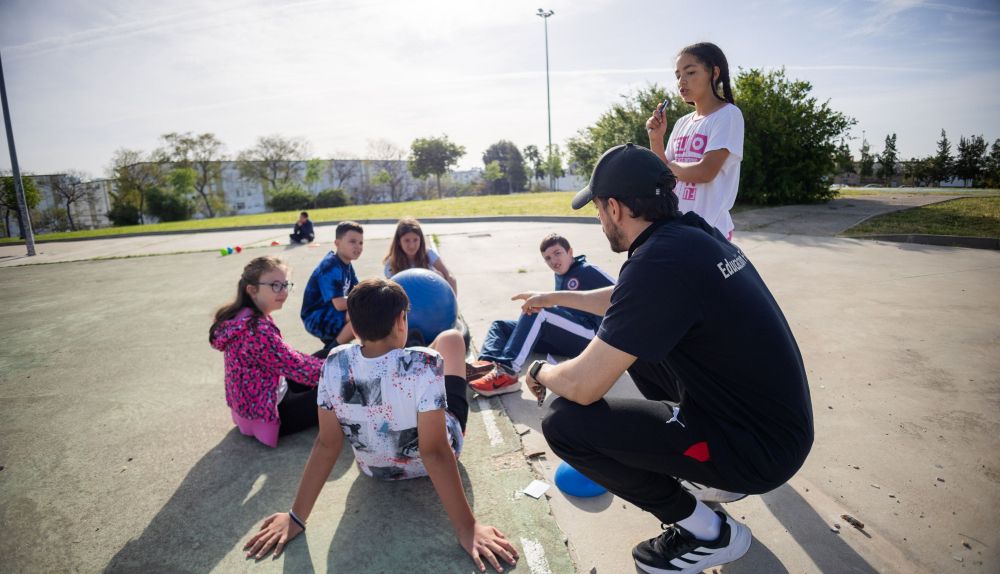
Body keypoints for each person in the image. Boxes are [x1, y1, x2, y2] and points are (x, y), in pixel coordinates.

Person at [521, 143, 813, 574]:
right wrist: (554, 297)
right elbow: (626, 302)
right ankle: (709, 472)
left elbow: (584, 385)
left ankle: (708, 532)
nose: (600, 220)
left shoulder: (657, 263)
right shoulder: (692, 235)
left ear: (615, 208)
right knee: (633, 342)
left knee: (564, 424)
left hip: (760, 451)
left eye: (598, 210)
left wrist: (541, 369)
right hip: (775, 426)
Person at [244, 278, 520, 573]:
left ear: (356, 328)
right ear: (402, 320)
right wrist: (468, 527)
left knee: (417, 370)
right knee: (452, 338)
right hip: (427, 459)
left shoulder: (334, 364)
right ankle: (438, 374)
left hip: (373, 469)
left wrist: (296, 516)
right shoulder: (427, 364)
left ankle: (403, 369)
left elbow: (327, 444)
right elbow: (436, 452)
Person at [468, 233, 615, 396]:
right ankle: (486, 365)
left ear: (570, 252)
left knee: (539, 309)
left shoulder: (587, 271)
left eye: (557, 253)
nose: (553, 261)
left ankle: (507, 373)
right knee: (500, 326)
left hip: (589, 336)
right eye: (548, 258)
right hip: (567, 335)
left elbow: (622, 291)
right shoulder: (561, 274)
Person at [210, 256, 323, 448]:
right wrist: (340, 373)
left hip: (254, 405)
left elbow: (286, 358)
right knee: (337, 390)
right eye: (275, 285)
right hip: (272, 412)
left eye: (286, 284)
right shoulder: (257, 330)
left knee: (326, 357)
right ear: (252, 290)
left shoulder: (242, 317)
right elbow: (299, 368)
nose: (284, 291)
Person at [645, 42, 744, 240]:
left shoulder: (728, 115)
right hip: (677, 228)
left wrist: (668, 169)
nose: (682, 81)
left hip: (710, 233)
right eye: (678, 75)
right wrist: (656, 139)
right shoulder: (682, 122)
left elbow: (705, 172)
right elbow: (662, 176)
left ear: (714, 73)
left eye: (690, 72)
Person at [300, 221, 362, 352]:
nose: (358, 246)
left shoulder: (347, 265)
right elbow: (339, 304)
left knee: (365, 310)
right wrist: (367, 301)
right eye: (352, 241)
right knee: (361, 315)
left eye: (360, 243)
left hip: (330, 312)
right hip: (316, 317)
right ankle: (328, 352)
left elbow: (358, 291)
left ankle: (338, 346)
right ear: (337, 243)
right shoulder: (330, 266)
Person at [383, 217, 458, 294]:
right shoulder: (391, 263)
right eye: (406, 240)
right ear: (399, 241)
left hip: (428, 296)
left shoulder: (428, 254)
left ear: (421, 240)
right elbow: (390, 294)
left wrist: (452, 302)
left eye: (415, 240)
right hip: (406, 301)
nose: (412, 245)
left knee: (440, 275)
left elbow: (449, 276)